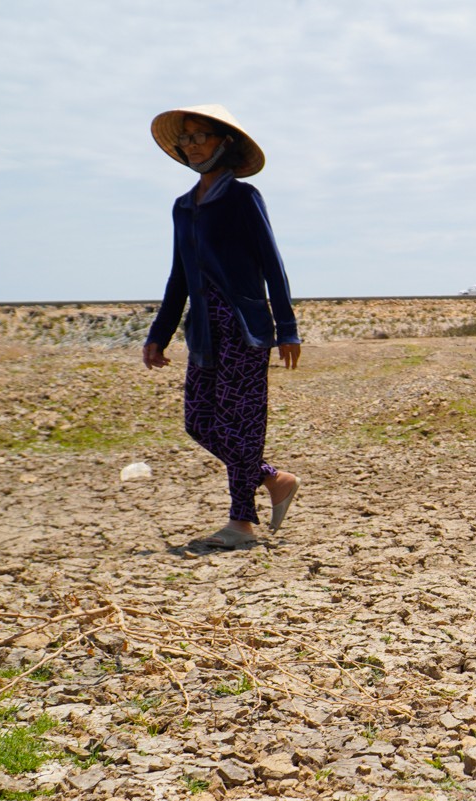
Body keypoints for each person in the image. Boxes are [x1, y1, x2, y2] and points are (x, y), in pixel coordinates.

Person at [142, 104, 301, 550]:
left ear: (224, 143)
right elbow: (179, 277)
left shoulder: (243, 198)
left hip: (243, 327)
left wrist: (286, 328)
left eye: (200, 136)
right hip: (204, 331)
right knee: (199, 421)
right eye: (186, 139)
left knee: (242, 423)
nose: (191, 146)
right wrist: (159, 333)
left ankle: (240, 523)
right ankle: (275, 479)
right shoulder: (182, 207)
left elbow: (273, 264)